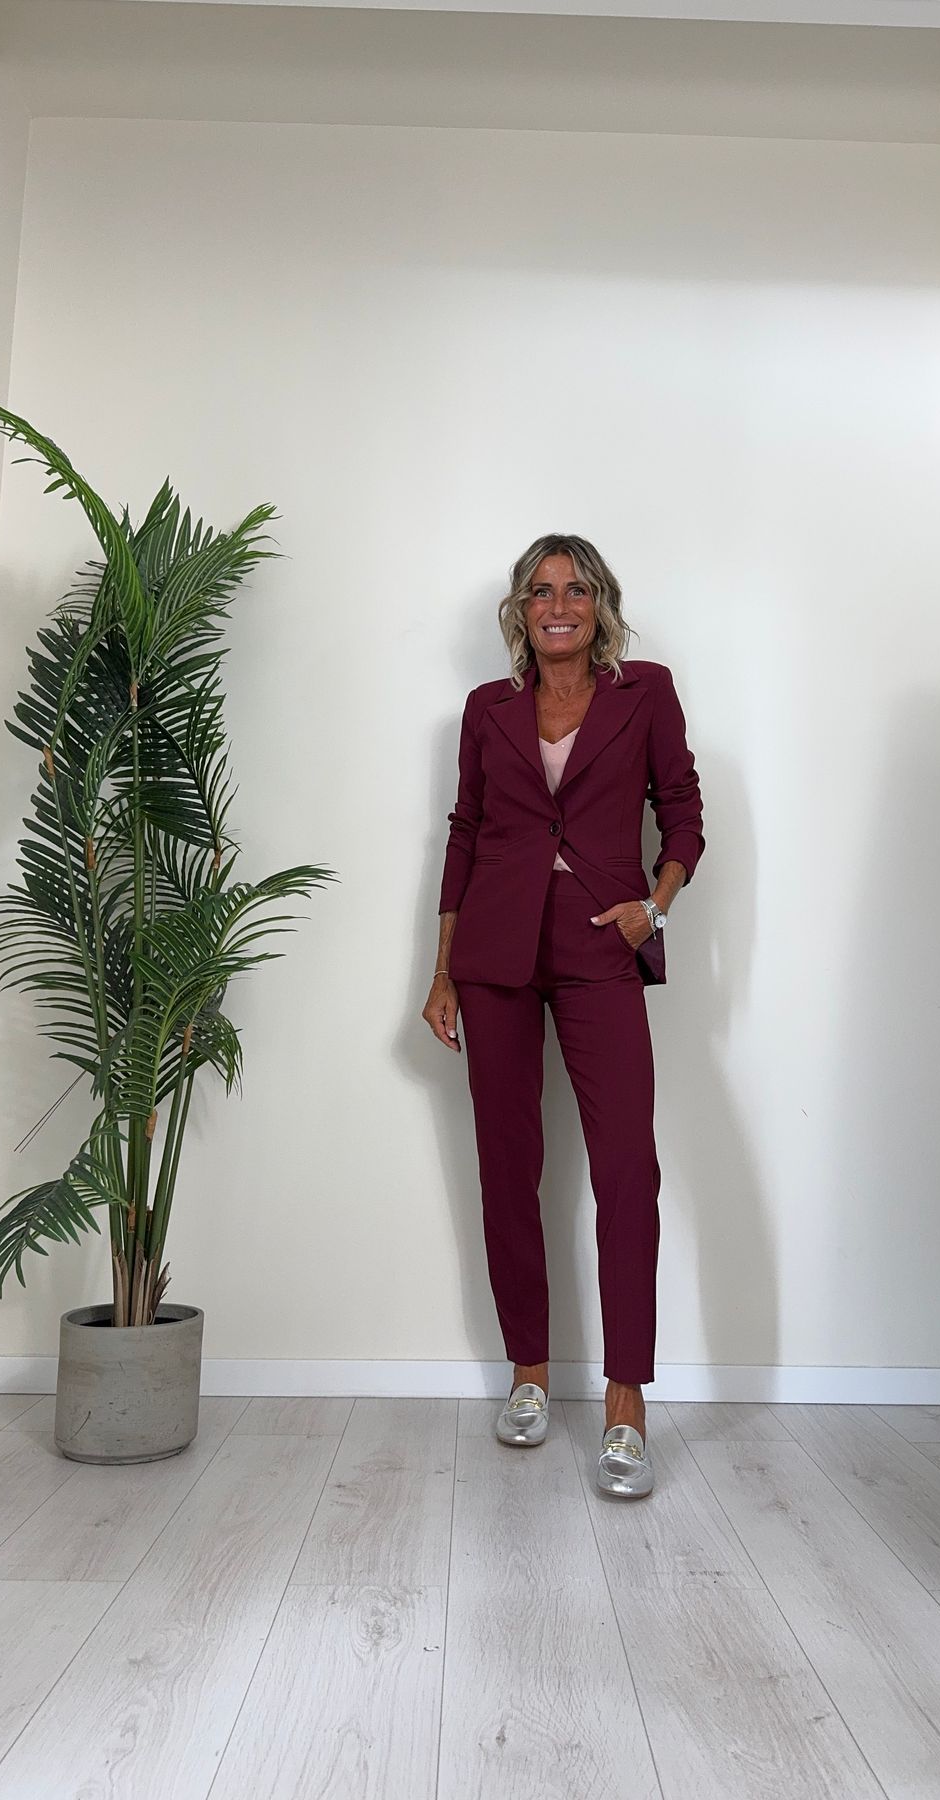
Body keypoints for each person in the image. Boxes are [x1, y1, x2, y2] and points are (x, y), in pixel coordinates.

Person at [423, 534, 705, 1498]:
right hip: (495, 955)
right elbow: (464, 833)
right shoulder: (487, 709)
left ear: (599, 605)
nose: (558, 605)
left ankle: (625, 1402)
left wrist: (652, 908)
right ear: (520, 609)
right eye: (540, 590)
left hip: (599, 948)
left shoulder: (644, 693)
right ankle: (529, 1376)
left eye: (575, 589)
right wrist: (442, 970)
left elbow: (683, 811)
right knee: (508, 1168)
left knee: (627, 1167)